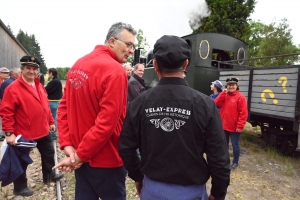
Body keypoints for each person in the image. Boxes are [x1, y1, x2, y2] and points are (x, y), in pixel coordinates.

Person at [119, 35, 230, 200]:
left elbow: (126, 147)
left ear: (155, 65)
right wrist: (217, 193)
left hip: (152, 190)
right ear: (185, 64)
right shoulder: (205, 104)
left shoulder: (139, 103)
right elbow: (219, 157)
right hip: (192, 193)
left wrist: (138, 176)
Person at [54, 22, 136, 200]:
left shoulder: (78, 65)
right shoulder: (115, 72)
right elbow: (106, 124)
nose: (131, 50)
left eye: (133, 46)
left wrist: (69, 147)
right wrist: (79, 156)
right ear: (112, 41)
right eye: (128, 44)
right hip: (106, 159)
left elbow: (63, 109)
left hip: (80, 156)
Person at [0, 55, 64, 197]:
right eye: (28, 68)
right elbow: (7, 112)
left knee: (48, 153)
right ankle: (20, 187)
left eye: (34, 69)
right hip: (24, 132)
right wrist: (9, 133)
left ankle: (49, 175)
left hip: (42, 129)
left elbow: (45, 106)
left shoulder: (40, 86)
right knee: (21, 161)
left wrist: (51, 122)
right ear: (22, 69)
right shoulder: (13, 89)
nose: (32, 71)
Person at [214, 77, 248, 170]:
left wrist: (240, 126)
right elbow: (216, 103)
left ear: (237, 86)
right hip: (224, 126)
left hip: (234, 127)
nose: (231, 86)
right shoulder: (224, 95)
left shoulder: (241, 97)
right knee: (224, 145)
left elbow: (243, 113)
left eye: (233, 85)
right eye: (229, 85)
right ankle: (225, 161)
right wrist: (222, 93)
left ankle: (235, 162)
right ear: (226, 86)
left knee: (235, 145)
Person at [45, 68, 63, 140]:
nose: (48, 74)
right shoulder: (57, 80)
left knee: (52, 118)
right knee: (54, 117)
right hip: (56, 102)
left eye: (48, 73)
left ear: (51, 73)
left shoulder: (54, 82)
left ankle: (53, 134)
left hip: (52, 102)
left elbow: (45, 90)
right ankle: (53, 133)